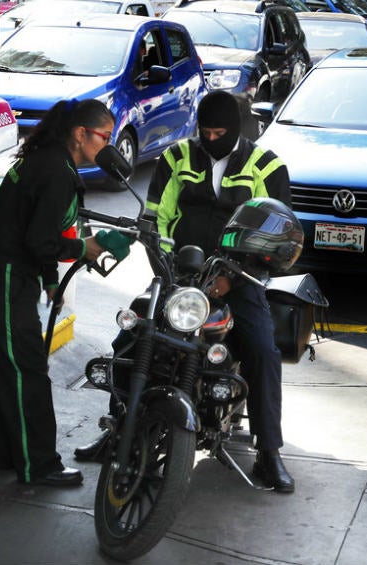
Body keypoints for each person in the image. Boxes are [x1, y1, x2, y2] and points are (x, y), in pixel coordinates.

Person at [75, 91, 296, 493]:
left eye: (219, 132)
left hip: (238, 278)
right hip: (181, 275)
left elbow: (276, 235)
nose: (211, 139)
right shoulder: (177, 158)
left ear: (236, 129)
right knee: (131, 338)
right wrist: (163, 264)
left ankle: (269, 451)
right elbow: (154, 216)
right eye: (204, 131)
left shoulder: (267, 165)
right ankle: (117, 431)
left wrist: (234, 275)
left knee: (263, 351)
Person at [0, 98, 112, 487]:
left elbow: (35, 227)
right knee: (26, 371)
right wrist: (84, 248)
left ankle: (3, 455)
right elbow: (40, 239)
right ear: (81, 134)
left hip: (6, 274)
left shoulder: (52, 161)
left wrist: (50, 278)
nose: (106, 146)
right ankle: (40, 465)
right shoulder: (56, 172)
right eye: (104, 137)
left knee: (6, 369)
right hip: (3, 278)